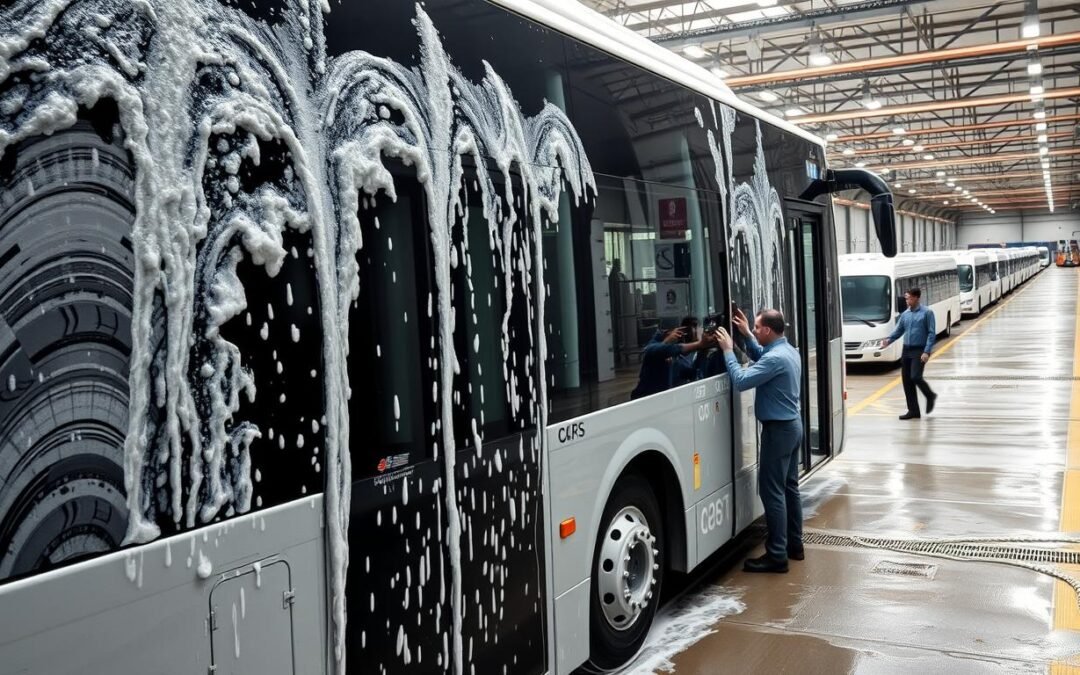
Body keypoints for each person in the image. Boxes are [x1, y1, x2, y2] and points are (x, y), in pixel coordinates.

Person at [715, 307, 803, 574]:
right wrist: (744, 336)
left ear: (767, 330)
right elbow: (761, 357)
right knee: (789, 488)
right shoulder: (788, 351)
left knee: (771, 492)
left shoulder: (775, 358)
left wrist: (729, 350)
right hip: (791, 426)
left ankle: (776, 556)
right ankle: (794, 545)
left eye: (755, 327)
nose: (753, 329)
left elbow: (741, 380)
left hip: (778, 432)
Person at [882, 287, 938, 420]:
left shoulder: (927, 313)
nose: (906, 300)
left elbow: (931, 333)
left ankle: (930, 395)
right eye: (906, 298)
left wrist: (927, 351)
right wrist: (888, 340)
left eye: (909, 298)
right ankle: (913, 411)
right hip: (906, 350)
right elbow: (899, 330)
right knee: (906, 380)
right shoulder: (905, 314)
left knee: (915, 377)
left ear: (916, 298)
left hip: (919, 350)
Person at [630, 318, 713, 400]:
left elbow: (693, 374)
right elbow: (658, 350)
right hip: (645, 399)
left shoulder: (678, 359)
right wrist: (699, 344)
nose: (687, 334)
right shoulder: (655, 346)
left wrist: (703, 351)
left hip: (663, 399)